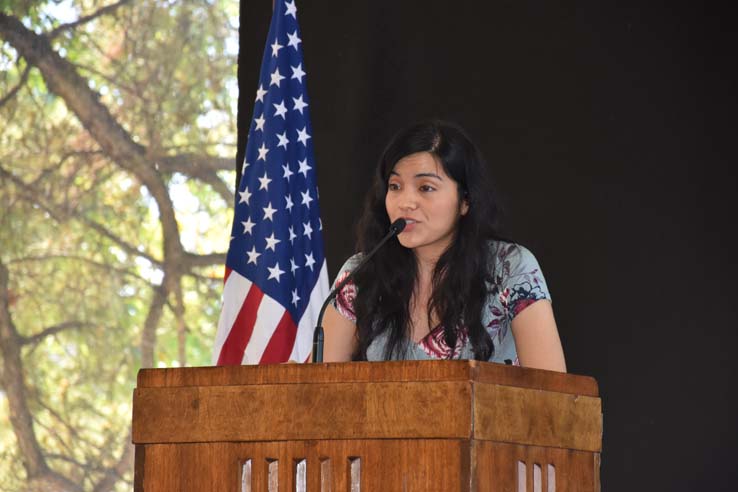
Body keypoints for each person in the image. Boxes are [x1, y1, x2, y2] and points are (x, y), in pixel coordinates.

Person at [322, 120, 566, 372]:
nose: (405, 202)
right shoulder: (362, 273)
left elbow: (554, 394)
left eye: (425, 188)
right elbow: (317, 387)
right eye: (395, 186)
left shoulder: (510, 268)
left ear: (465, 201)